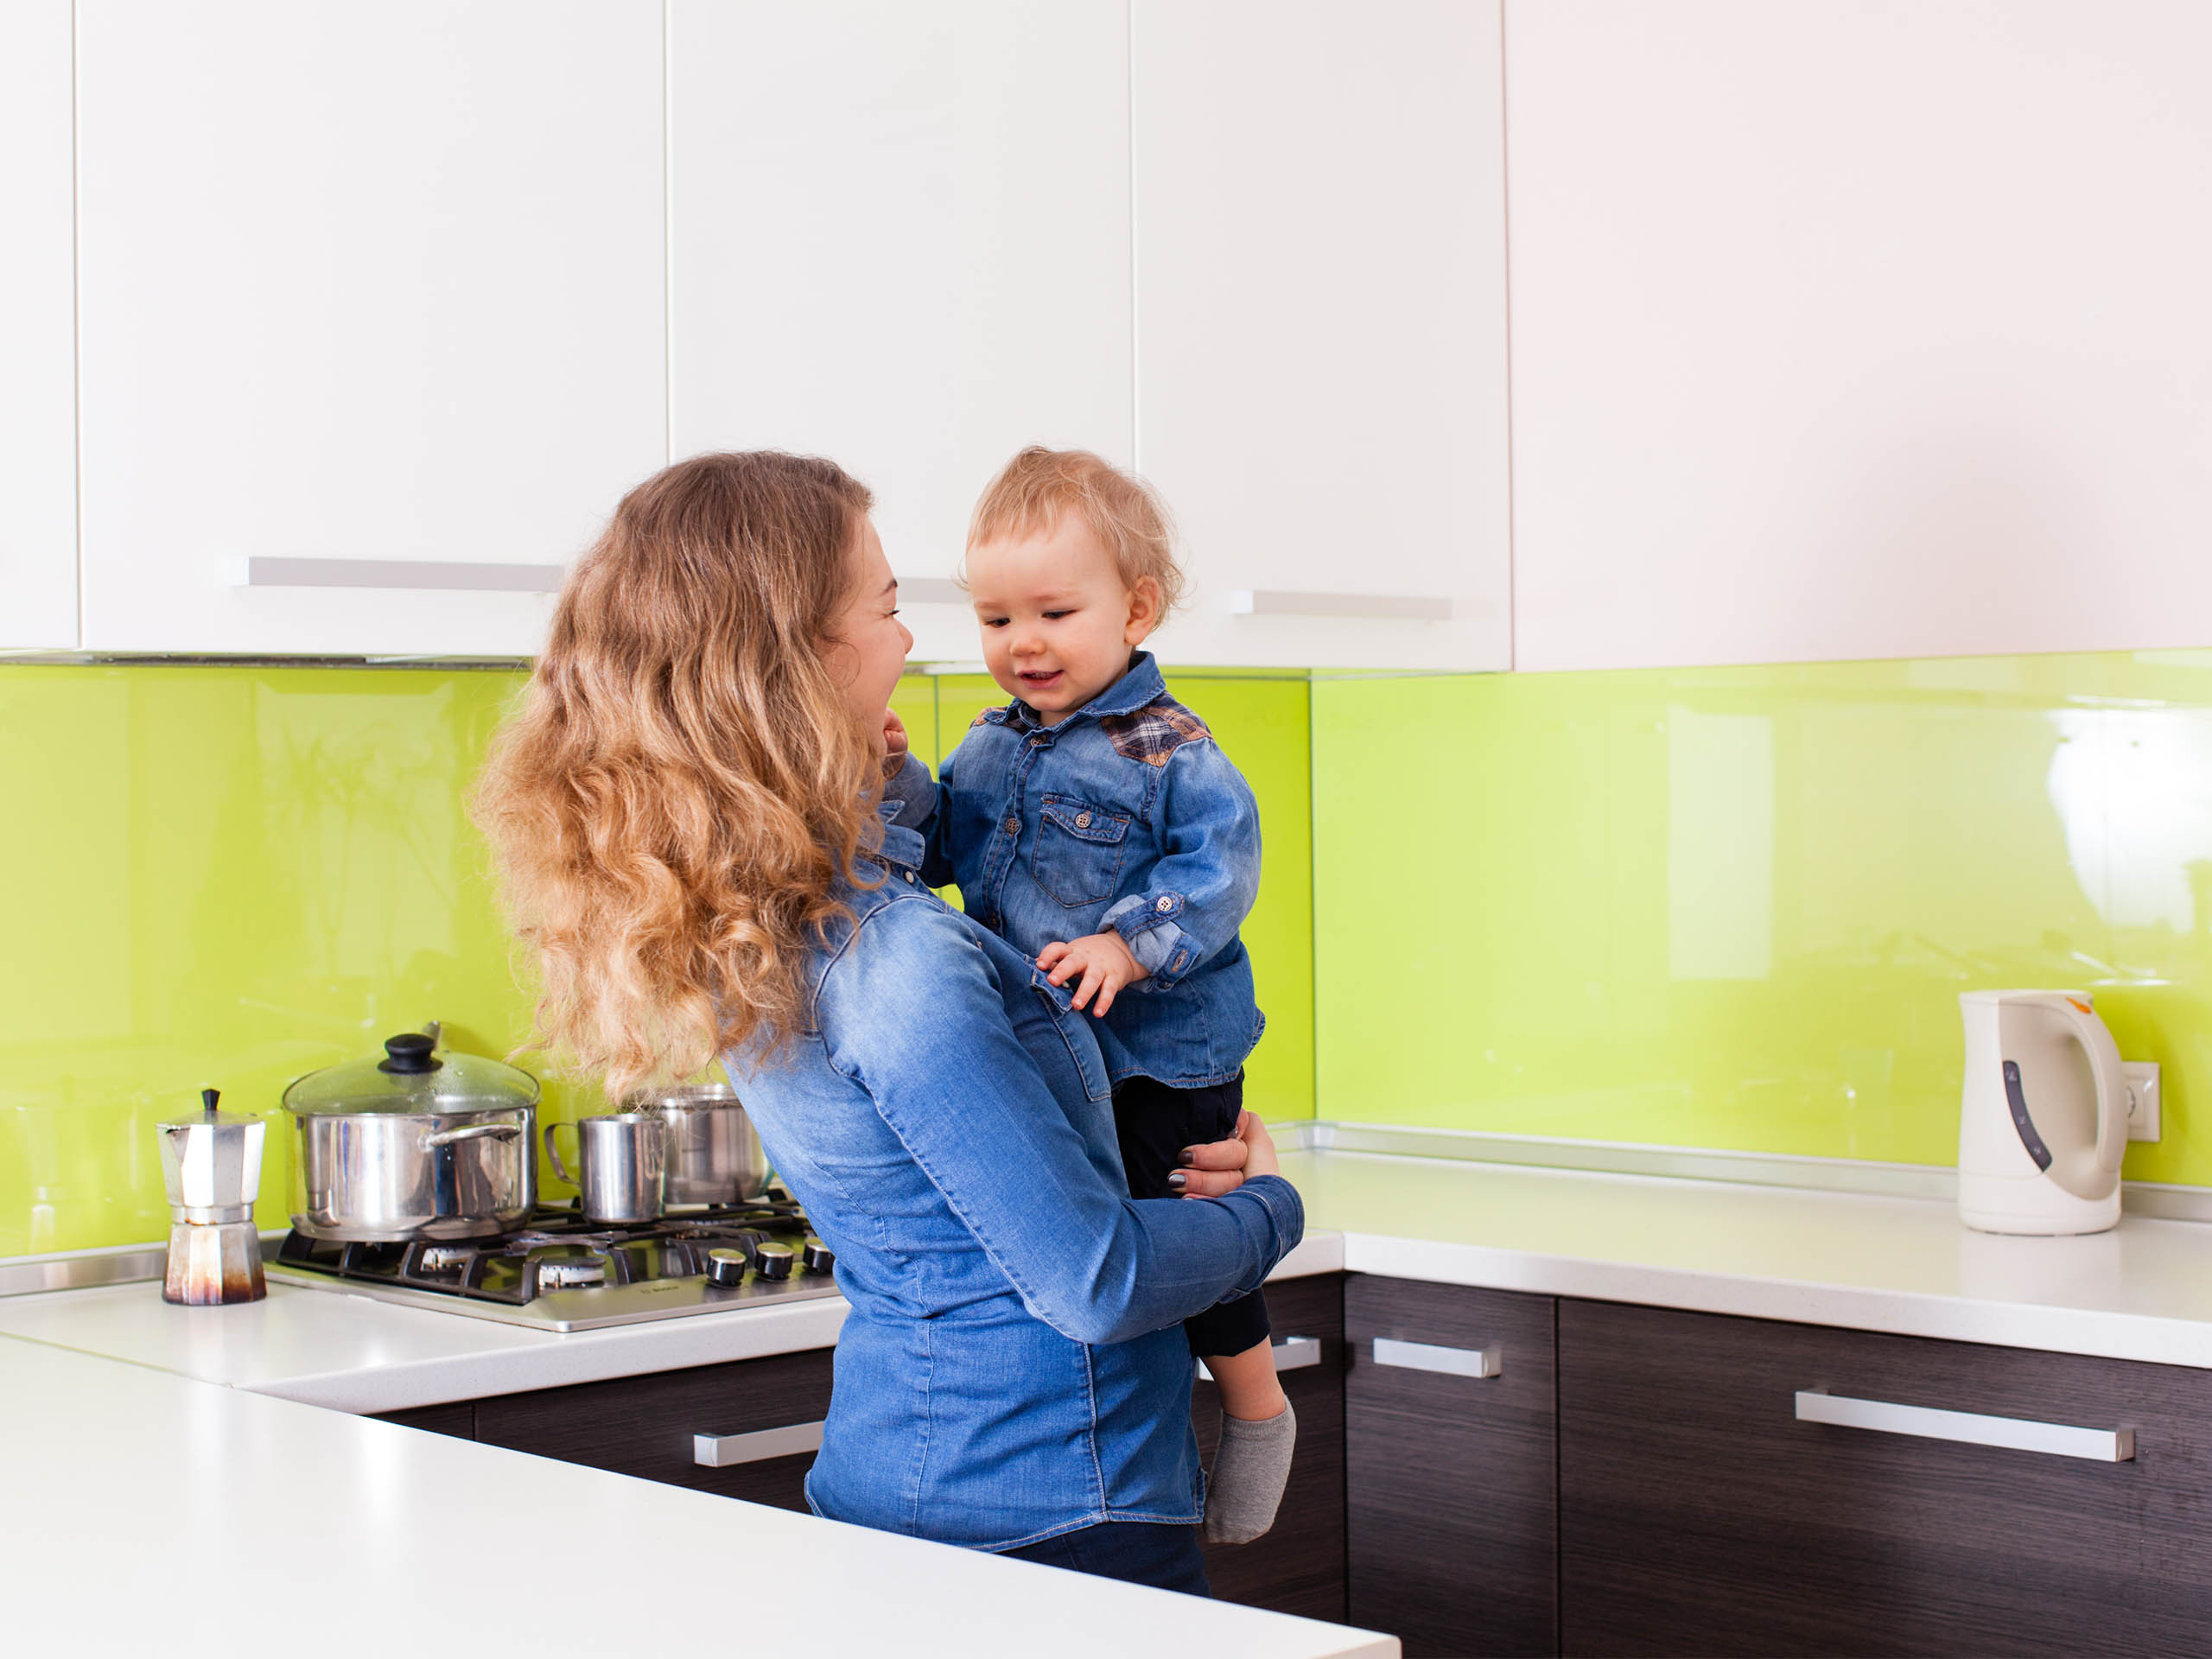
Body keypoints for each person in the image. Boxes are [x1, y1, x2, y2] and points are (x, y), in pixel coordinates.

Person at [471, 450, 1303, 1597]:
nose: (912, 639)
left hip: (899, 1480)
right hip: (1049, 1510)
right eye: (888, 606)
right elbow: (1096, 1281)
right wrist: (1270, 1207)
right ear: (811, 656)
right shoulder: (899, 960)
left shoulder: (760, 918)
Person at [896, 447, 1290, 1547]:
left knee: (1184, 1224)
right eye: (995, 619)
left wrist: (1130, 943)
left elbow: (1221, 872)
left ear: (1137, 609)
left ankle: (1257, 1402)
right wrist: (893, 777)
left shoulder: (1171, 751)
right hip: (1056, 1056)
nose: (1021, 642)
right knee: (1102, 1248)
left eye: (1054, 613)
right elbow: (939, 846)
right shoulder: (987, 743)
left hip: (1162, 1052)